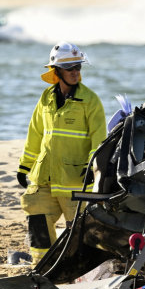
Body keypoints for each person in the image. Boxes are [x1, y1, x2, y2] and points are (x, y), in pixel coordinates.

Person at [17, 42, 106, 266]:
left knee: (79, 230)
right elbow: (35, 135)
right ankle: (42, 266)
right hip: (44, 177)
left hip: (75, 180)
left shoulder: (90, 100)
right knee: (37, 219)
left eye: (78, 67)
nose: (76, 72)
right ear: (56, 71)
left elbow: (99, 139)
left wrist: (93, 165)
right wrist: (25, 166)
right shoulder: (46, 98)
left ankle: (77, 270)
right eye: (70, 68)